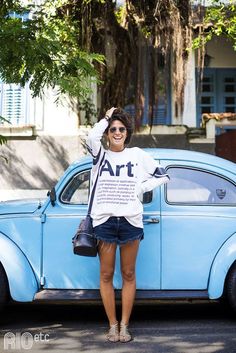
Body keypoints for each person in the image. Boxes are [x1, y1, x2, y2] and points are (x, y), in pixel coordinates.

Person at [86, 107, 169, 343]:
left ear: (127, 132)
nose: (117, 132)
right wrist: (105, 118)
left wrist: (139, 188)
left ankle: (125, 325)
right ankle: (112, 325)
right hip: (105, 222)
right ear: (107, 132)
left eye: (121, 128)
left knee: (129, 273)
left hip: (131, 221)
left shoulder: (137, 155)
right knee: (106, 274)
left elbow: (162, 175)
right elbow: (91, 137)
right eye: (113, 129)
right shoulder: (99, 155)